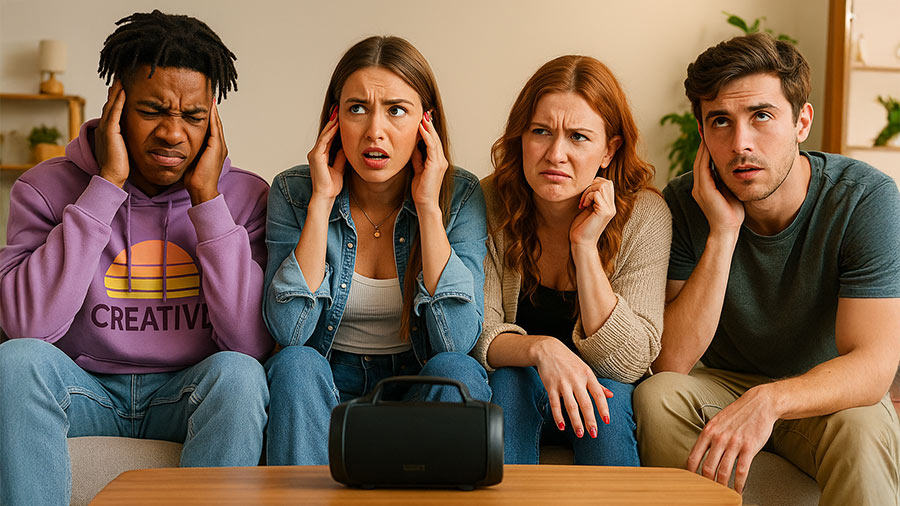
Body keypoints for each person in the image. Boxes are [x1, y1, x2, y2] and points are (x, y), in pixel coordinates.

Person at [0, 11, 272, 505]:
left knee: (241, 376)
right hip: (84, 389)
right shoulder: (43, 189)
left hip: (184, 391)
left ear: (213, 119)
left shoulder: (246, 197)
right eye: (153, 111)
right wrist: (104, 187)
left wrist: (208, 203)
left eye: (193, 117)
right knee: (15, 362)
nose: (173, 134)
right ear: (115, 107)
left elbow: (249, 343)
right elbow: (26, 325)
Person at [634, 33, 900, 505]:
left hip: (826, 393)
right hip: (724, 384)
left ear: (802, 121)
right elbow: (669, 362)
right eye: (720, 122)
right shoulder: (684, 202)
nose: (740, 144)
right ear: (703, 134)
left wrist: (770, 401)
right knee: (659, 397)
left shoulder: (865, 199)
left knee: (863, 424)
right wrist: (722, 232)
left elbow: (874, 366)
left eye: (761, 116)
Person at [263, 35, 490, 465]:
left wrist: (427, 206)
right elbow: (288, 332)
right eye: (357, 109)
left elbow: (455, 340)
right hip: (326, 380)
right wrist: (321, 203)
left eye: (396, 110)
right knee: (293, 364)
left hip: (418, 375)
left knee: (460, 372)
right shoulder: (293, 192)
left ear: (427, 122)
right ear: (335, 118)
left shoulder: (460, 196)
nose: (374, 131)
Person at [474, 55, 671, 465]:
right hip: (517, 384)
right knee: (511, 381)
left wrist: (584, 246)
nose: (555, 154)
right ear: (521, 138)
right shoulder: (489, 202)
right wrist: (543, 349)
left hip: (603, 392)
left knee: (609, 397)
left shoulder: (645, 216)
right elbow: (476, 334)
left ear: (609, 149)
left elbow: (633, 360)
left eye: (578, 137)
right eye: (541, 132)